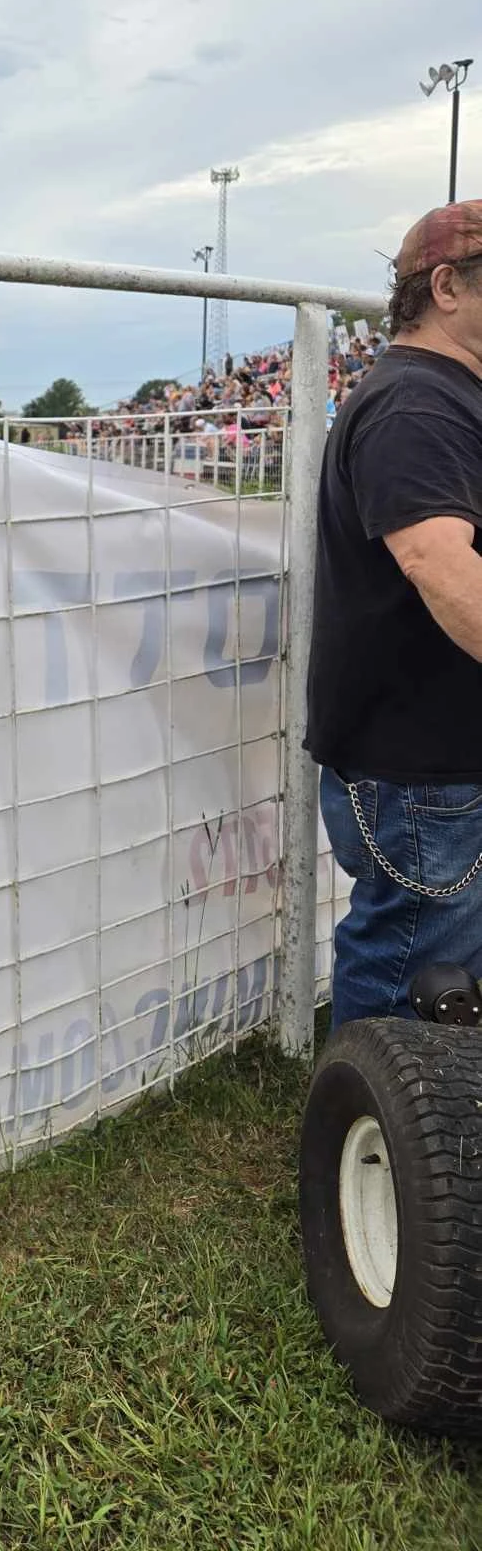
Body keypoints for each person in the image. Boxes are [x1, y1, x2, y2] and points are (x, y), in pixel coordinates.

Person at [306, 200, 482, 1027]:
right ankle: (370, 1146)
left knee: (439, 960)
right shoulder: (415, 405)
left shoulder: (441, 396)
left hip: (434, 754)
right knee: (413, 967)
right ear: (446, 287)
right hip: (420, 765)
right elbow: (440, 566)